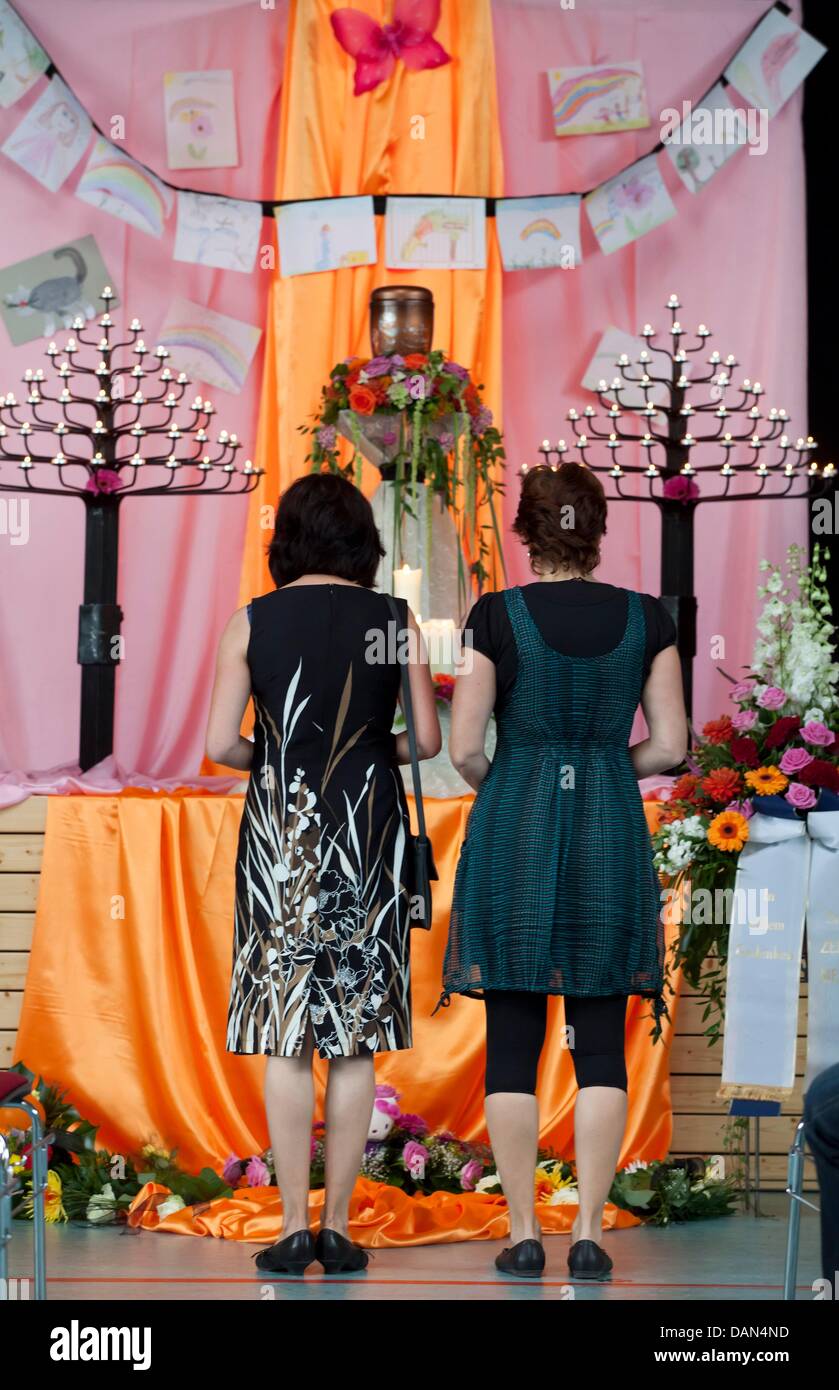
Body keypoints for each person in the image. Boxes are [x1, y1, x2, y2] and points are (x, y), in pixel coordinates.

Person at [441, 461, 687, 1280]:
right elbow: (670, 746)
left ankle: (520, 1233)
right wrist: (605, 763)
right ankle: (586, 1231)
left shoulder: (495, 616)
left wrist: (514, 779)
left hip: (516, 823)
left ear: (527, 531)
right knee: (599, 1044)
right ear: (599, 527)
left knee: (512, 1040)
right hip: (608, 829)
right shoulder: (647, 618)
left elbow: (464, 746)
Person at [205, 472, 440, 1276]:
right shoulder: (395, 620)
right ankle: (339, 1229)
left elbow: (220, 743)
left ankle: (290, 1224)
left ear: (288, 540)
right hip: (367, 836)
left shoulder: (252, 621)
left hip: (282, 839)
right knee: (353, 1036)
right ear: (361, 542)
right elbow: (428, 742)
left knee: (285, 1034)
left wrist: (278, 759)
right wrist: (371, 754)